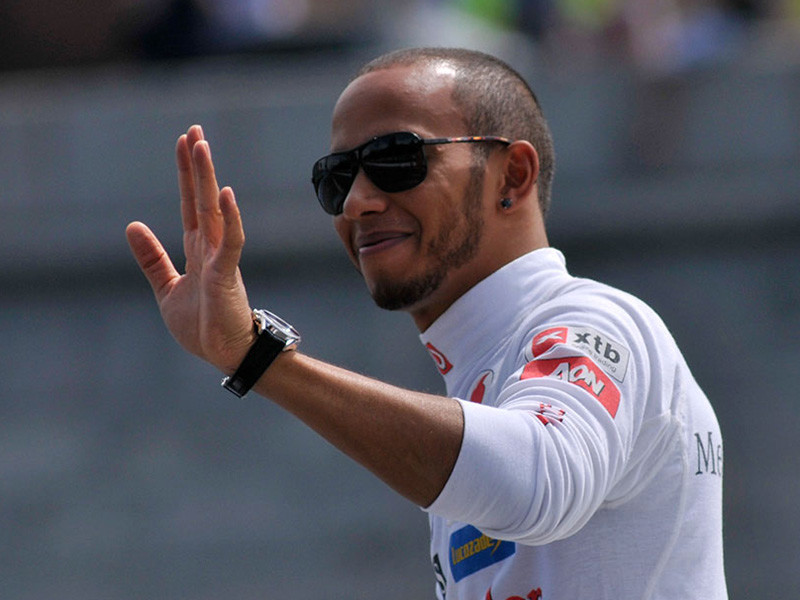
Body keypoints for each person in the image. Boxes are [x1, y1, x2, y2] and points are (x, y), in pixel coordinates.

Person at [125, 47, 727, 599]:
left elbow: (538, 482)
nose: (357, 201)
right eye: (336, 178)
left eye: (397, 159)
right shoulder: (484, 373)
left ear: (513, 176)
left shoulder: (597, 321)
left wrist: (257, 358)